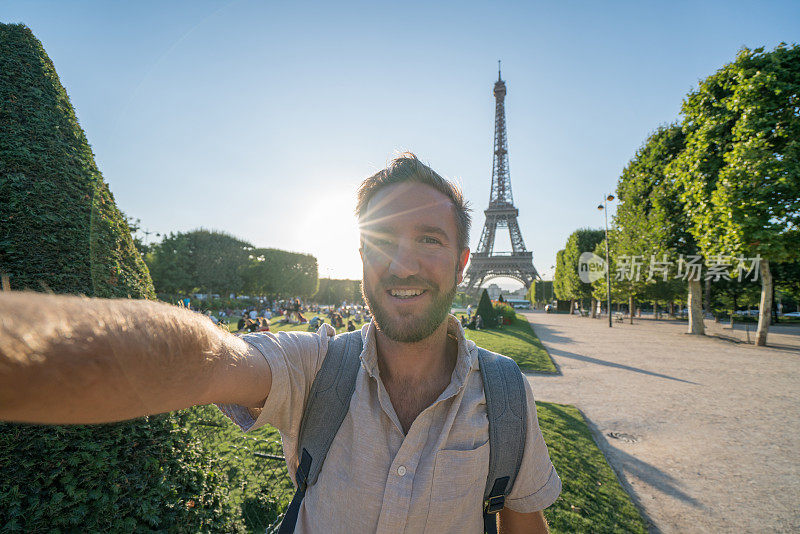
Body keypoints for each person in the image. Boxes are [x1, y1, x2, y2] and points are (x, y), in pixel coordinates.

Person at [0, 153, 559, 533]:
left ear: (465, 263)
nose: (402, 262)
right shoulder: (317, 368)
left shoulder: (506, 395)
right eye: (382, 240)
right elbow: (207, 360)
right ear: (362, 258)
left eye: (429, 239)